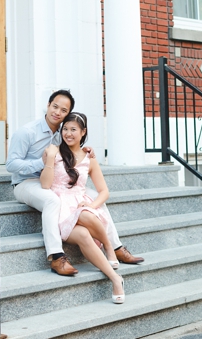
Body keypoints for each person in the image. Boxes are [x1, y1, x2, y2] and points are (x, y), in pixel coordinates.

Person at [5, 89, 144, 276]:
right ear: (47, 105)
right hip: (26, 183)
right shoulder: (27, 132)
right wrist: (44, 161)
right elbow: (11, 165)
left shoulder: (62, 131)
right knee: (51, 200)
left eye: (63, 110)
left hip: (57, 180)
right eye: (55, 106)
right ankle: (56, 256)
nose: (57, 112)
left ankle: (116, 247)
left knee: (94, 196)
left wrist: (84, 150)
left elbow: (72, 144)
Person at [41, 112, 125, 303]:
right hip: (61, 211)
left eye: (73, 130)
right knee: (83, 228)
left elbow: (104, 191)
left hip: (81, 205)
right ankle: (112, 263)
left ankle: (112, 264)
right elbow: (45, 185)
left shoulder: (89, 157)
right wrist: (50, 159)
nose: (68, 134)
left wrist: (92, 204)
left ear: (83, 132)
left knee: (86, 217)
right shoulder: (53, 152)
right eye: (65, 129)